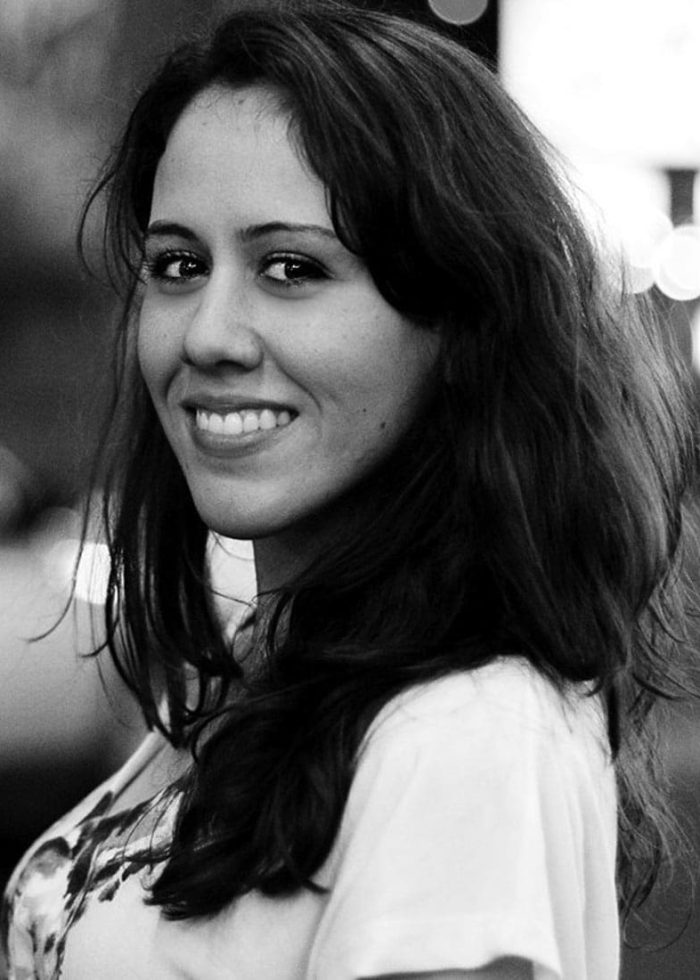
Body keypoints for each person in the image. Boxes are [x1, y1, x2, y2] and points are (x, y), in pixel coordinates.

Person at [2, 2, 698, 977]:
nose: (208, 332)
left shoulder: (462, 729)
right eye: (177, 264)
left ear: (459, 319)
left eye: (292, 267)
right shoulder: (261, 655)